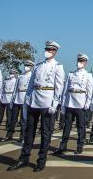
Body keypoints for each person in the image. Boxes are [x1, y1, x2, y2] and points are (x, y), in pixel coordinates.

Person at [8, 40, 65, 172]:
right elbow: (30, 85)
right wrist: (27, 101)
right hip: (34, 100)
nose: (48, 51)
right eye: (47, 49)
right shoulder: (38, 66)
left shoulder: (58, 66)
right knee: (29, 132)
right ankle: (24, 157)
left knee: (45, 133)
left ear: (55, 52)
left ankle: (41, 160)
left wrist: (54, 103)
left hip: (47, 101)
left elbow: (59, 87)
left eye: (50, 50)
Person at [54, 53, 93, 155]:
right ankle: (63, 146)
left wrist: (87, 102)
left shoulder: (88, 75)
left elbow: (89, 90)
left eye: (82, 61)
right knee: (67, 126)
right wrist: (63, 103)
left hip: (80, 103)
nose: (80, 62)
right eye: (79, 60)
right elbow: (65, 90)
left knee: (81, 126)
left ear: (86, 63)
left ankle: (79, 146)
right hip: (70, 102)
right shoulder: (71, 74)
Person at [1, 60, 34, 142]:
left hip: (25, 99)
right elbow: (15, 89)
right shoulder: (20, 76)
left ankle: (22, 137)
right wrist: (12, 99)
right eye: (25, 65)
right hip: (17, 98)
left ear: (31, 67)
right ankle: (9, 135)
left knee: (23, 120)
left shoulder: (32, 76)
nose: (26, 67)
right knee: (12, 119)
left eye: (28, 65)